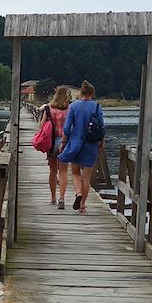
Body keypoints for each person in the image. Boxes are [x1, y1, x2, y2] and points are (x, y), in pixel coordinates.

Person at [57, 80, 105, 215]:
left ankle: (78, 193)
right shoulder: (97, 107)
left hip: (75, 144)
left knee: (76, 173)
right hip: (91, 144)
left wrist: (63, 143)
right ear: (92, 93)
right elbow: (101, 127)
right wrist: (101, 141)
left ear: (81, 92)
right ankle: (82, 206)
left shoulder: (73, 106)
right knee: (87, 177)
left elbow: (67, 128)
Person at [38, 87, 71, 209]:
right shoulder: (69, 109)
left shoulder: (48, 109)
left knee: (52, 170)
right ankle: (62, 198)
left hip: (51, 143)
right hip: (65, 142)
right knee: (63, 171)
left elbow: (41, 126)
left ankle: (53, 197)